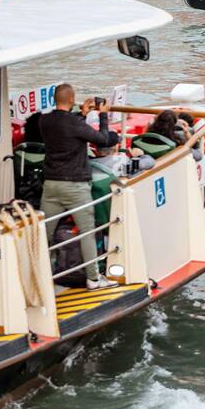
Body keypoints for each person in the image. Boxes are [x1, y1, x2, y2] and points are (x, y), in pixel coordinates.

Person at [39, 84, 121, 289]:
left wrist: (81, 114)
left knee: (45, 234)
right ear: (72, 99)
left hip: (50, 185)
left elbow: (65, 128)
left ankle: (43, 276)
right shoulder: (73, 124)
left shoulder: (45, 120)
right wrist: (102, 116)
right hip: (75, 185)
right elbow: (102, 139)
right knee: (87, 232)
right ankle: (93, 278)